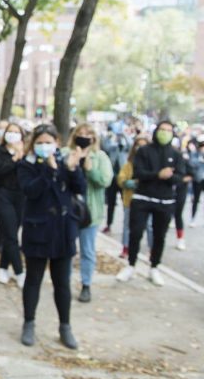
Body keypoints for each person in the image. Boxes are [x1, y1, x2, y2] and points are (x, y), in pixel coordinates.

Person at [16, 124, 86, 349]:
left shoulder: (66, 163)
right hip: (37, 231)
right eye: (40, 142)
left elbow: (80, 189)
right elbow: (30, 191)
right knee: (33, 279)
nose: (45, 146)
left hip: (63, 232)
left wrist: (74, 169)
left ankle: (65, 326)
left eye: (49, 142)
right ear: (33, 144)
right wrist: (48, 169)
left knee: (62, 283)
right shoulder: (26, 165)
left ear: (57, 142)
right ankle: (29, 323)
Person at [116, 121, 184, 286]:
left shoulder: (176, 154)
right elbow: (138, 173)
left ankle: (154, 266)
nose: (165, 133)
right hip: (142, 198)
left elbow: (180, 177)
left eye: (168, 130)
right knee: (136, 232)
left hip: (165, 200)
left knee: (159, 235)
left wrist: (170, 177)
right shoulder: (144, 151)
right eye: (162, 129)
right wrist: (157, 175)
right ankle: (131, 264)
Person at [61, 124, 112, 303]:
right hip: (67, 210)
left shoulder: (100, 156)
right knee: (66, 249)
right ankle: (63, 282)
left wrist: (91, 169)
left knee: (87, 250)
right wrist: (70, 165)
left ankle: (86, 285)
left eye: (88, 134)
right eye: (80, 133)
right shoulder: (66, 152)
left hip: (90, 212)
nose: (84, 136)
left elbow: (106, 180)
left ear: (94, 137)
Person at [0, 122, 26, 288]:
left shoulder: (25, 153)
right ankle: (20, 272)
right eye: (10, 132)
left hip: (20, 197)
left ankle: (2, 268)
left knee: (10, 233)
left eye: (16, 132)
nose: (13, 135)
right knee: (11, 235)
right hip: (3, 196)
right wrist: (14, 158)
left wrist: (22, 156)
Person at [116, 136, 153, 258]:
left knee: (149, 226)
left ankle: (152, 249)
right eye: (138, 145)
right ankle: (125, 248)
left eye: (143, 145)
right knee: (127, 225)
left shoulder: (152, 164)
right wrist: (131, 183)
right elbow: (121, 179)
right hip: (130, 200)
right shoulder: (128, 165)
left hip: (147, 200)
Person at [173, 138, 195, 250]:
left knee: (178, 214)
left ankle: (180, 238)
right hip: (165, 192)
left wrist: (181, 180)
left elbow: (191, 174)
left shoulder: (183, 160)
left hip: (180, 190)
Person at [189, 139, 204, 228]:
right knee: (195, 199)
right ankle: (193, 218)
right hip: (198, 179)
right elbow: (191, 163)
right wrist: (200, 160)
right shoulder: (195, 154)